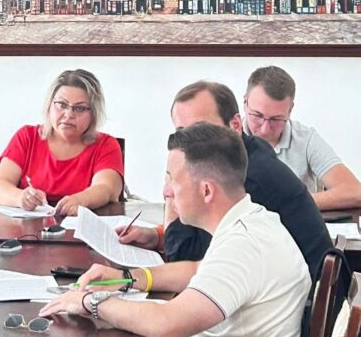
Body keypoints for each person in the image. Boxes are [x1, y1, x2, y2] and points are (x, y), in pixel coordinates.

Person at [41, 122, 312, 337]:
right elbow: (197, 270)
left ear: (206, 191)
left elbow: (166, 324)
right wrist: (127, 278)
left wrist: (90, 302)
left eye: (172, 180)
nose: (166, 191)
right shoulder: (253, 220)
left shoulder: (244, 246)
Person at [118, 81, 331, 280]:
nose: (187, 144)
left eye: (200, 130)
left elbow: (188, 259)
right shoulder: (245, 152)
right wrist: (158, 236)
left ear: (235, 125)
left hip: (300, 302)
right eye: (181, 133)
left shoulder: (246, 178)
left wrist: (171, 189)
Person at [0, 69, 123, 216]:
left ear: (93, 113)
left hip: (81, 227)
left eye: (80, 108)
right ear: (50, 105)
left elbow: (107, 189)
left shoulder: (106, 145)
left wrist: (80, 200)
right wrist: (20, 197)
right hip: (27, 228)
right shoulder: (27, 137)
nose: (69, 114)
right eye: (62, 104)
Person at [244, 65, 361, 209]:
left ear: (290, 110)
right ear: (245, 103)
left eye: (276, 119)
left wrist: (295, 202)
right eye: (257, 116)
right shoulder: (226, 140)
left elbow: (355, 192)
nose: (265, 129)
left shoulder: (306, 140)